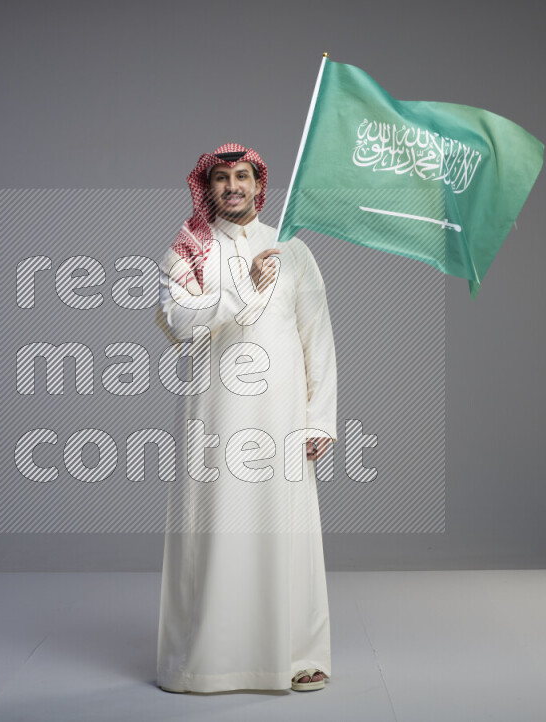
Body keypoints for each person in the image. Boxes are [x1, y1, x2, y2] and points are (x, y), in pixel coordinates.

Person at [154, 142, 338, 693]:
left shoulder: (294, 250)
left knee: (289, 532)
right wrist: (242, 291)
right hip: (214, 421)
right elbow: (177, 320)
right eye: (221, 179)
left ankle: (299, 653)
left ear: (260, 185)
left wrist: (319, 419)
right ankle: (205, 660)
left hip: (280, 421)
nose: (232, 187)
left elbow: (318, 338)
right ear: (206, 189)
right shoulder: (187, 252)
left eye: (242, 177)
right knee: (213, 532)